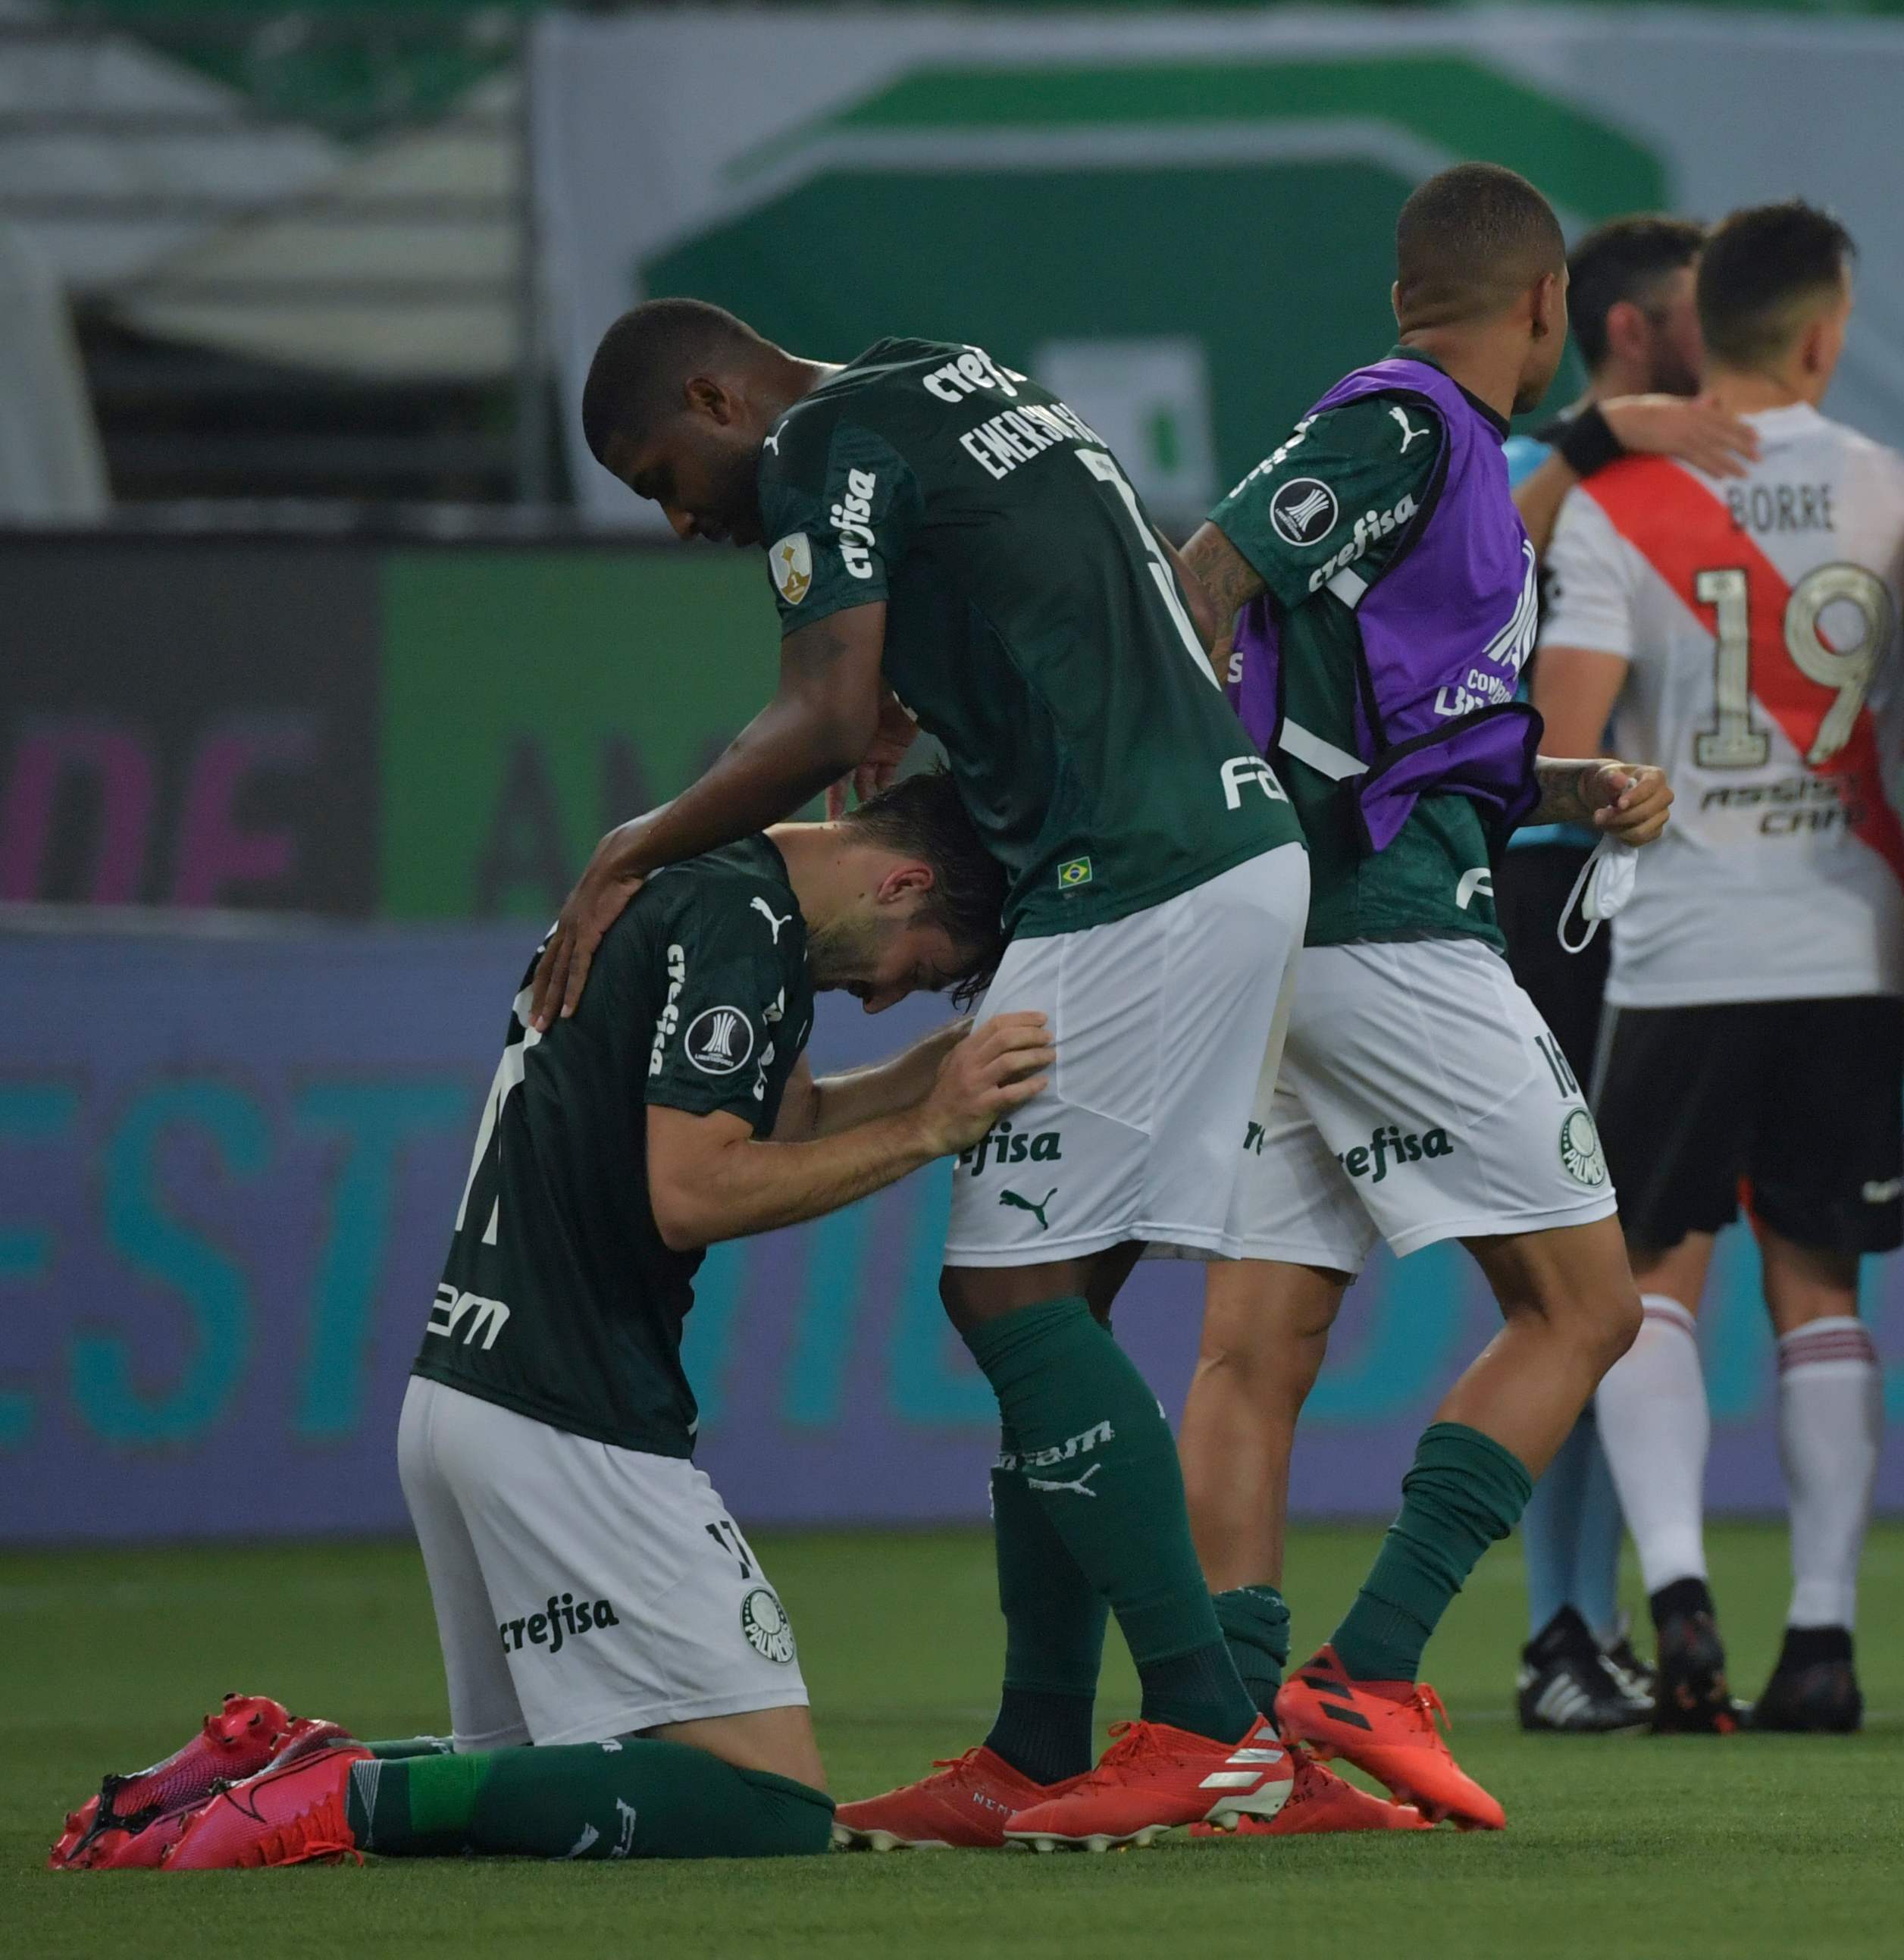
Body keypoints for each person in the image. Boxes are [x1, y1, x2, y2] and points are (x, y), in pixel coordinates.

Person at [558, 302, 1312, 1849]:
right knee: (1046, 1298)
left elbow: (823, 710)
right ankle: (1037, 1747)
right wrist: (943, 677)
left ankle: (1211, 1726)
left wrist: (633, 842)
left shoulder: (824, 441)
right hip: (1186, 845)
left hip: (1137, 869)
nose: (688, 516)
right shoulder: (944, 372)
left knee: (1006, 1295)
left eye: (664, 474)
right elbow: (1020, 577)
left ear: (716, 391)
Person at [79, 778, 1044, 1868]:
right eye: (914, 961)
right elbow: (695, 1188)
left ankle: (258, 1772)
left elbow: (794, 1121)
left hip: (465, 1392)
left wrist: (961, 1064)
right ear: (902, 879)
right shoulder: (746, 925)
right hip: (569, 1407)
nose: (884, 997)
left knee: (527, 1776)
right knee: (769, 1803)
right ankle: (343, 1792)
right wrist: (931, 1125)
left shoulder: (686, 875)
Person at [1159, 164, 1675, 1833]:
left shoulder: (1439, 458)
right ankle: (1366, 1671)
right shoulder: (1413, 422)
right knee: (1588, 1306)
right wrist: (1205, 813)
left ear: (1406, 292)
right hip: (1383, 938)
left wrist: (1560, 785)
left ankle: (1234, 1746)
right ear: (1542, 309)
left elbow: (1388, 725)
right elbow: (1209, 569)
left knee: (1255, 1348)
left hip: (1290, 946)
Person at [1535, 199, 1904, 1734]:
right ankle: (1822, 1638)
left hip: (1685, 941)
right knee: (1819, 1283)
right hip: (1850, 936)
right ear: (1825, 333)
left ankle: (1681, 1587)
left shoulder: (1619, 504)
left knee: (1649, 1276)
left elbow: (1561, 756)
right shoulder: (1895, 497)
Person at [1494, 210, 1708, 1734]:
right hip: (1544, 898)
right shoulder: (1531, 474)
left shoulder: (1712, 480)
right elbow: (1482, 561)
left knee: (1603, 1287)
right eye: (1706, 309)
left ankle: (1579, 1624)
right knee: (1563, 1279)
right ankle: (1556, 1625)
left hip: (1664, 912)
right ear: (1628, 331)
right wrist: (1589, 437)